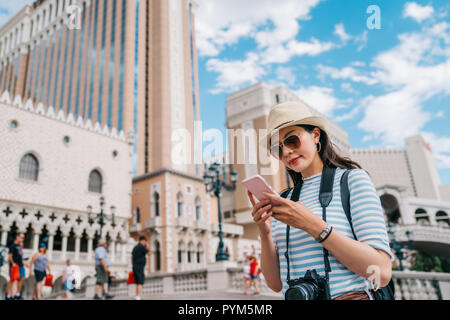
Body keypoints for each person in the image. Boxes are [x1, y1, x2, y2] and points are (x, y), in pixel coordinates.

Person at [248, 101, 393, 300]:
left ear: (316, 135)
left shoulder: (351, 180)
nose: (287, 152)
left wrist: (312, 224)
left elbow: (382, 272)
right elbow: (275, 284)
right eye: (278, 148)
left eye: (292, 140)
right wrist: (265, 232)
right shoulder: (284, 200)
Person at [7, 233, 27, 300]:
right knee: (12, 280)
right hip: (14, 265)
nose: (22, 239)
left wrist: (24, 262)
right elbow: (10, 256)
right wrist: (12, 263)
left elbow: (21, 255)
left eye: (23, 238)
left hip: (20, 265)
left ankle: (17, 294)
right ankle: (9, 295)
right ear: (17, 237)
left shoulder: (19, 246)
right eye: (21, 237)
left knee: (22, 278)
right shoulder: (12, 245)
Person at [131, 235, 151, 300]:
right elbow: (149, 253)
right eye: (145, 241)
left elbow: (132, 257)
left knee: (137, 281)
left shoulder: (135, 247)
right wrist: (148, 247)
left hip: (135, 266)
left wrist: (133, 264)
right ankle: (138, 296)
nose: (145, 243)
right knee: (140, 281)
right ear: (142, 241)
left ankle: (137, 295)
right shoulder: (142, 247)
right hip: (140, 266)